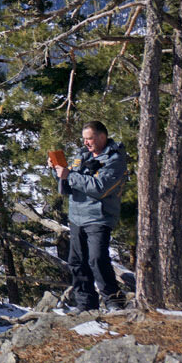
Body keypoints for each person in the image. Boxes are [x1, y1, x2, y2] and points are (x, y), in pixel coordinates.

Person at [53, 120, 127, 312]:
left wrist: (69, 175)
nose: (86, 143)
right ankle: (85, 303)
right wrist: (59, 172)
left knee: (97, 259)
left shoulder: (115, 158)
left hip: (99, 217)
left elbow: (100, 188)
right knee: (77, 262)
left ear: (102, 136)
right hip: (77, 215)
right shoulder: (82, 155)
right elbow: (69, 186)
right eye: (84, 139)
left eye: (90, 138)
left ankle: (114, 301)